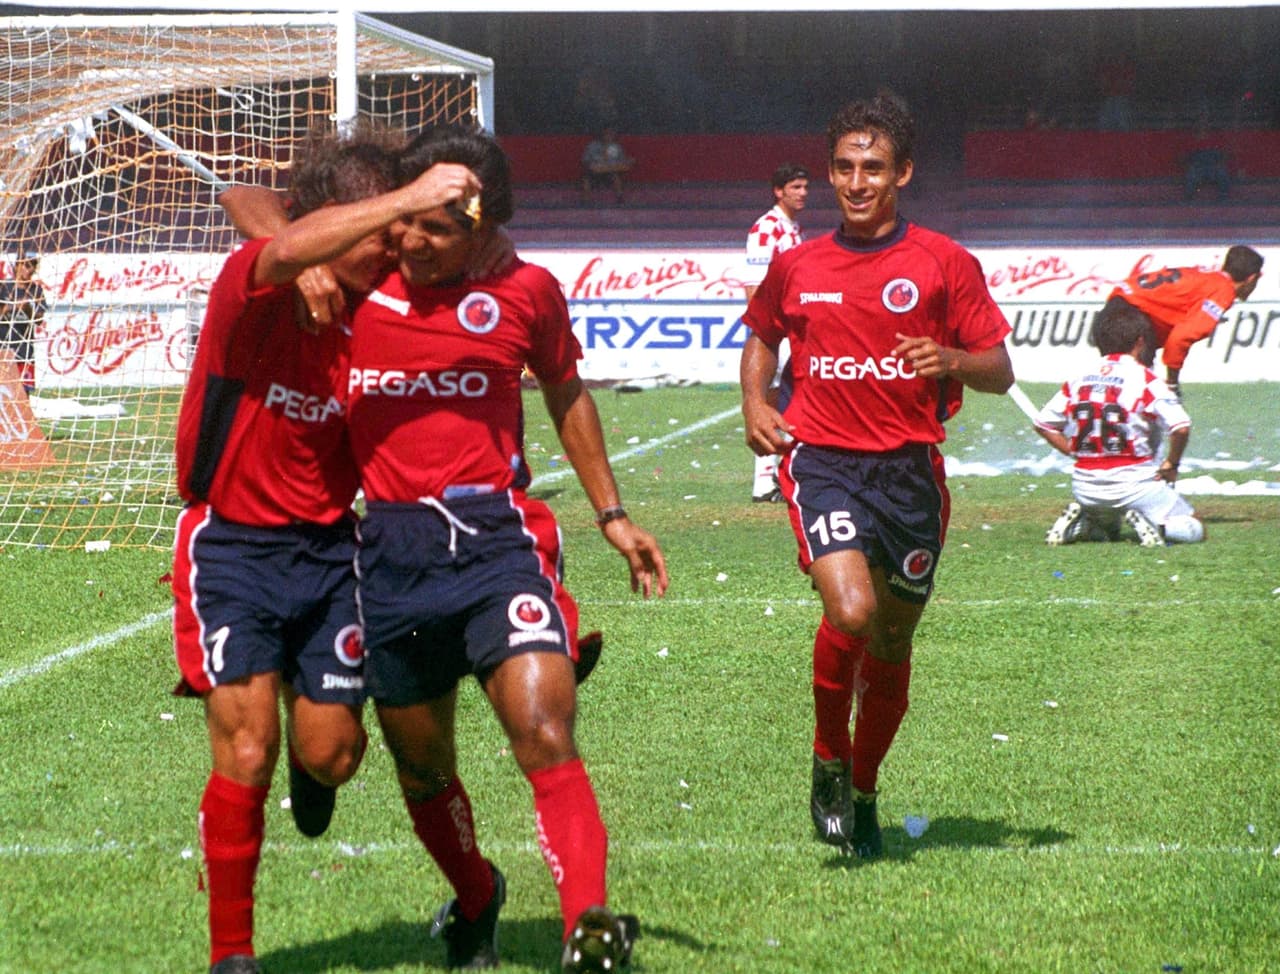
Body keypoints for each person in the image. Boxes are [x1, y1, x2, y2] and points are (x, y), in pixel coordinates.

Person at [282, 123, 668, 972]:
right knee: (423, 771)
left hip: (497, 539)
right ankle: (476, 897)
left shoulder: (526, 291)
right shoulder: (361, 275)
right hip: (389, 550)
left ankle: (590, 931)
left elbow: (567, 392)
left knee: (542, 729)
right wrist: (297, 253)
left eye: (442, 227)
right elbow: (246, 205)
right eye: (411, 220)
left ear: (486, 230)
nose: (416, 241)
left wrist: (613, 514)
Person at [171, 125, 481, 974]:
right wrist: (302, 242)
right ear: (331, 226)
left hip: (331, 555)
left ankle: (321, 771)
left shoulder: (378, 320)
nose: (393, 250)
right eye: (379, 234)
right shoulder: (257, 291)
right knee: (245, 750)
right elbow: (244, 197)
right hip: (230, 546)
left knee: (333, 755)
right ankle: (232, 955)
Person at [740, 94, 1014, 859]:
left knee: (891, 642)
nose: (857, 182)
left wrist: (952, 359)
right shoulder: (797, 264)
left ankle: (861, 791)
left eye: (874, 168)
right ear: (829, 173)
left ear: (903, 173)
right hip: (824, 462)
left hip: (910, 475)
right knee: (853, 612)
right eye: (845, 168)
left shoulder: (943, 262)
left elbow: (998, 367)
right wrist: (754, 401)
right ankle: (829, 757)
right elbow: (762, 335)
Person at [1035, 299, 1203, 548]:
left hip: (1085, 486)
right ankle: (1155, 524)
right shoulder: (1146, 379)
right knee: (1195, 526)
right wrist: (1171, 463)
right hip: (1135, 483)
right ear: (1140, 341)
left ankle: (1083, 524)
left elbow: (1044, 424)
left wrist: (1076, 451)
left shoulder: (1078, 378)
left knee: (1108, 530)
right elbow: (1181, 427)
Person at [1104, 245, 1263, 397]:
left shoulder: (1207, 277)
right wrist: (1172, 384)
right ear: (1251, 278)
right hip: (1130, 321)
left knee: (1119, 393)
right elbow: (1180, 338)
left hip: (1110, 316)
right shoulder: (1223, 290)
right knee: (1137, 402)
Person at [743, 163, 809, 503]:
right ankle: (765, 482)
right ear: (778, 191)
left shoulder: (792, 228)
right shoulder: (765, 229)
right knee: (771, 402)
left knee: (785, 402)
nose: (802, 193)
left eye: (804, 187)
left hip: (793, 329)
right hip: (776, 333)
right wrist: (768, 333)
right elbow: (753, 287)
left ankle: (774, 479)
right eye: (795, 187)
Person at [0, 251, 47, 394]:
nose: (30, 269)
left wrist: (28, 310)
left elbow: (39, 320)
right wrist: (8, 308)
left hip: (25, 351)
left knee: (24, 393)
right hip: (4, 349)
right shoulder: (4, 287)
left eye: (33, 265)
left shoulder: (36, 290)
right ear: (17, 266)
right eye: (26, 265)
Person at [580, 128, 634, 203]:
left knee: (615, 177)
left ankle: (619, 197)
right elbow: (585, 159)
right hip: (595, 172)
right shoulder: (592, 145)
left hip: (609, 171)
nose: (609, 136)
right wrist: (591, 164)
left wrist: (628, 161)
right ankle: (586, 200)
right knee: (586, 179)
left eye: (611, 135)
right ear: (602, 135)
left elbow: (622, 160)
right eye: (607, 134)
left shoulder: (616, 147)